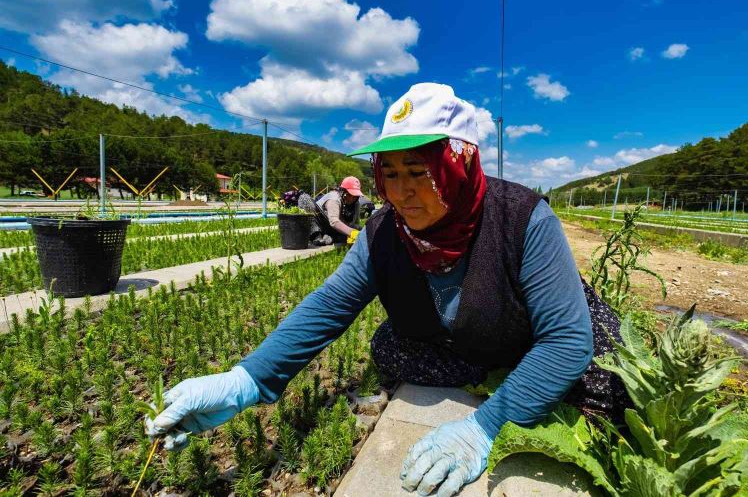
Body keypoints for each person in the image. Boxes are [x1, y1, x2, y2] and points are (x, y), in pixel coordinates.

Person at [145, 83, 628, 496]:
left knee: (609, 386)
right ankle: (504, 370)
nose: (401, 192)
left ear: (458, 165)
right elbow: (332, 304)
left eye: (419, 172)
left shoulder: (522, 219)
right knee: (390, 349)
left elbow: (566, 339)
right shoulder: (383, 231)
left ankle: (517, 379)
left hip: (538, 331)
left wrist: (486, 427)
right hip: (473, 336)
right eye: (389, 173)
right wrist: (247, 380)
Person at [298, 176, 362, 245]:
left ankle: (331, 237)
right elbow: (334, 222)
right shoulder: (334, 199)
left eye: (355, 196)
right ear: (343, 191)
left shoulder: (356, 203)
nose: (352, 198)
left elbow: (356, 222)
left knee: (360, 229)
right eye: (350, 194)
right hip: (321, 222)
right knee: (304, 198)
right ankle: (317, 236)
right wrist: (352, 232)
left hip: (337, 228)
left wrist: (357, 232)